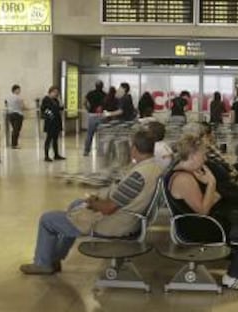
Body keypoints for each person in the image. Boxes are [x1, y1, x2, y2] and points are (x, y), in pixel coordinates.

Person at [19, 130, 163, 275]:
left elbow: (108, 208)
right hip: (129, 219)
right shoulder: (155, 168)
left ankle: (43, 264)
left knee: (47, 219)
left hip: (115, 224)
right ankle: (54, 258)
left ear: (134, 149)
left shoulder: (138, 175)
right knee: (75, 205)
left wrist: (92, 202)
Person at [167, 135, 238, 291]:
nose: (205, 159)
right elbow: (203, 210)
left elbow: (210, 199)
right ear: (193, 155)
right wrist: (211, 183)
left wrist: (213, 191)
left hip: (204, 220)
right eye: (203, 155)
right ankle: (233, 276)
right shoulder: (183, 179)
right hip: (198, 227)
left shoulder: (189, 172)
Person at [41, 86, 65, 162]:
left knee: (55, 139)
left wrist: (60, 102)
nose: (56, 94)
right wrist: (50, 115)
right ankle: (46, 155)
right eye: (54, 92)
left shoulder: (56, 100)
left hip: (56, 121)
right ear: (50, 92)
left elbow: (60, 108)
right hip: (50, 122)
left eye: (57, 93)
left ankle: (56, 154)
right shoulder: (46, 99)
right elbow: (44, 109)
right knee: (49, 138)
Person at [83, 81, 106, 156]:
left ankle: (86, 151)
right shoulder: (105, 94)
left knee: (89, 134)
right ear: (102, 86)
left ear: (95, 86)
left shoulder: (90, 93)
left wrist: (88, 109)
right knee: (101, 134)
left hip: (92, 115)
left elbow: (84, 102)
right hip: (101, 116)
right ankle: (100, 151)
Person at [5, 84, 26, 149]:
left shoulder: (8, 97)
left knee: (14, 130)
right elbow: (22, 107)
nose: (19, 91)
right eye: (19, 89)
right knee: (16, 130)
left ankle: (13, 143)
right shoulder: (18, 97)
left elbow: (7, 105)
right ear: (15, 90)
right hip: (18, 114)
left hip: (10, 115)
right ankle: (14, 144)